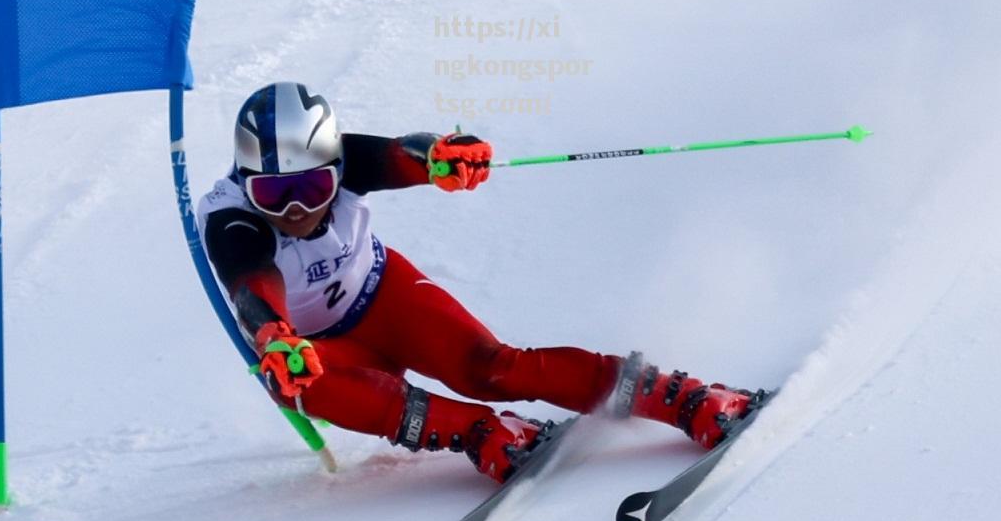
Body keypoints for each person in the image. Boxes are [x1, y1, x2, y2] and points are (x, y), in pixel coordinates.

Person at [196, 81, 755, 482]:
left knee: (490, 368)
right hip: (318, 348)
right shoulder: (230, 219)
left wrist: (441, 156)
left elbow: (403, 153)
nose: (295, 208)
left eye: (315, 189)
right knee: (295, 383)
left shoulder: (344, 159)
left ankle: (685, 397)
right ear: (245, 181)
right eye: (272, 194)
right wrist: (274, 336)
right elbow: (251, 281)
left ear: (335, 170)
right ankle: (483, 434)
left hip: (384, 299)